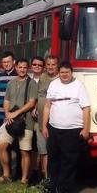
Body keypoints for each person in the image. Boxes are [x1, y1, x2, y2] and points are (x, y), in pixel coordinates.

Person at [42, 61, 91, 193]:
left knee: (69, 161)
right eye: (62, 72)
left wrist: (86, 129)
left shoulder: (79, 86)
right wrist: (44, 126)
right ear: (59, 72)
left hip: (72, 130)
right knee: (53, 160)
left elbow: (86, 108)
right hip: (54, 129)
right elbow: (47, 106)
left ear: (71, 72)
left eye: (67, 72)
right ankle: (53, 187)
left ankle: (64, 191)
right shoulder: (53, 84)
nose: (64, 75)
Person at [0, 58, 38, 184]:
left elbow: (31, 103)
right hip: (10, 120)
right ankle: (6, 174)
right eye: (20, 67)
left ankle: (24, 179)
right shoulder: (11, 83)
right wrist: (7, 114)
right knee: (1, 145)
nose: (22, 70)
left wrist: (15, 113)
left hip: (26, 122)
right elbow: (6, 101)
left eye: (25, 67)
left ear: (27, 68)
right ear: (17, 67)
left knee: (25, 151)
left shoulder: (32, 84)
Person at [32, 55, 60, 183]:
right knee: (42, 150)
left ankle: (53, 178)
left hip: (55, 122)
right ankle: (45, 178)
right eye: (48, 64)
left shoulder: (61, 79)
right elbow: (39, 95)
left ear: (57, 66)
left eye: (53, 64)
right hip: (40, 120)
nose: (50, 67)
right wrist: (35, 108)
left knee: (53, 151)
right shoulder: (42, 77)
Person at [0, 52, 19, 178]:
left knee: (15, 145)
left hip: (13, 116)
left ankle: (18, 172)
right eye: (4, 62)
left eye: (8, 62)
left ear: (14, 62)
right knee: (0, 144)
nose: (6, 64)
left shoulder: (18, 76)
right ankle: (5, 170)